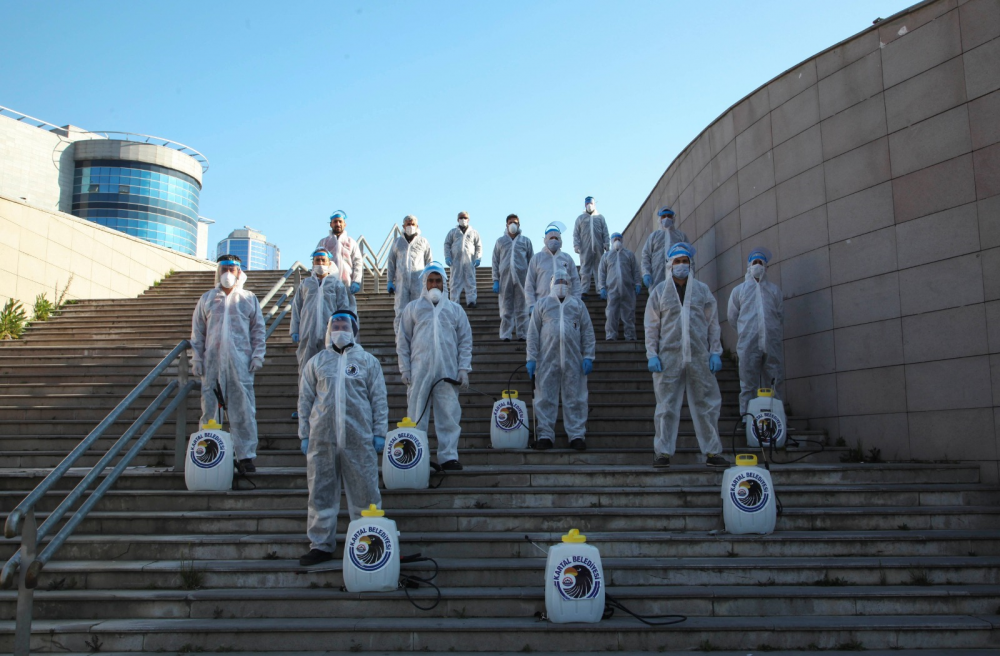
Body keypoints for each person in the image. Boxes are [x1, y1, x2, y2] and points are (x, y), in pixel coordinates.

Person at [297, 309, 386, 566]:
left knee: (365, 491)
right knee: (320, 492)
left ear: (354, 329)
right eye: (334, 325)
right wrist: (305, 434)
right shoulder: (316, 362)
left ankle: (368, 539)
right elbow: (305, 400)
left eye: (344, 324)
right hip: (322, 439)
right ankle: (321, 544)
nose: (339, 329)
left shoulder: (368, 361)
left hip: (359, 438)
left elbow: (378, 399)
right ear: (328, 329)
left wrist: (379, 432)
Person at [644, 242, 728, 468]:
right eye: (677, 261)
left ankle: (712, 451)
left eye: (685, 261)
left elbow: (712, 324)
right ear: (670, 264)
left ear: (691, 264)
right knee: (666, 406)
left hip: (700, 356)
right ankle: (662, 452)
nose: (681, 265)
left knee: (707, 404)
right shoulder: (659, 291)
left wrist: (715, 352)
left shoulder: (702, 290)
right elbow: (651, 325)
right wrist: (652, 353)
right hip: (668, 357)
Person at [191, 255, 266, 473]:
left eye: (232, 269)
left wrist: (257, 355)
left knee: (243, 409)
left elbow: (258, 329)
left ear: (239, 272)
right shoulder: (207, 299)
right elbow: (198, 332)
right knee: (210, 410)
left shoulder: (248, 298)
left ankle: (245, 457)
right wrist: (196, 357)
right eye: (224, 268)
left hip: (240, 363)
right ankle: (207, 457)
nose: (228, 273)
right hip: (212, 363)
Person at [396, 263, 474, 470]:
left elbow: (465, 340)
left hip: (447, 372)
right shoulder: (413, 308)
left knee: (448, 415)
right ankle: (417, 458)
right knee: (416, 415)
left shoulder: (455, 310)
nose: (434, 285)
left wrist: (463, 368)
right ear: (424, 283)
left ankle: (448, 456)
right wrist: (405, 368)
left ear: (444, 283)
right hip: (419, 370)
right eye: (430, 280)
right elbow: (403, 340)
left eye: (438, 281)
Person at [527, 266, 596, 451]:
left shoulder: (578, 305)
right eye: (557, 282)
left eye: (564, 282)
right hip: (547, 359)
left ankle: (576, 435)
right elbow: (533, 333)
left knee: (576, 397)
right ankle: (545, 435)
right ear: (551, 284)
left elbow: (588, 332)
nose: (561, 285)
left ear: (570, 284)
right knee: (544, 397)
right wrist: (531, 357)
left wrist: (589, 355)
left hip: (574, 360)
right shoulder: (542, 304)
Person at [727, 247, 784, 417]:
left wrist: (772, 331)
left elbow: (780, 315)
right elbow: (732, 316)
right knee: (747, 383)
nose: (758, 265)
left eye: (761, 262)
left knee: (773, 380)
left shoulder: (774, 291)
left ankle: (775, 417)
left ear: (766, 267)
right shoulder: (739, 291)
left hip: (770, 342)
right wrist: (745, 332)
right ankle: (746, 417)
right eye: (755, 262)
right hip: (748, 343)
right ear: (749, 266)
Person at [290, 250, 348, 369]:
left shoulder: (336, 285)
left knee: (329, 367)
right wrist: (294, 330)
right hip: (307, 331)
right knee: (306, 367)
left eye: (323, 260)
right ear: (313, 263)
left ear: (329, 263)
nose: (320, 263)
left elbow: (344, 309)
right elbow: (296, 308)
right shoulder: (305, 284)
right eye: (317, 260)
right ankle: (305, 388)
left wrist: (342, 332)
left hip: (330, 332)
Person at [491, 214, 534, 342]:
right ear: (506, 225)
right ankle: (505, 334)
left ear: (519, 225)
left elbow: (532, 261)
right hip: (505, 279)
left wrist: (532, 280)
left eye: (515, 222)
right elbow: (495, 261)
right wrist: (495, 280)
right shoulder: (500, 241)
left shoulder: (525, 241)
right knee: (506, 307)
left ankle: (523, 334)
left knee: (523, 307)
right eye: (510, 222)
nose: (513, 224)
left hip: (523, 279)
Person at [386, 215, 433, 330]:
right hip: (401, 283)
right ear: (403, 226)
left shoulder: (423, 242)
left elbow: (429, 263)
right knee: (401, 311)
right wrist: (389, 281)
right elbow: (391, 263)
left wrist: (430, 281)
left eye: (413, 224)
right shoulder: (397, 242)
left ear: (417, 226)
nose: (410, 226)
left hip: (419, 282)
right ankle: (401, 341)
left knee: (420, 310)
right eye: (408, 224)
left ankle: (420, 338)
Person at [524, 223, 581, 315]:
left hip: (566, 306)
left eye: (556, 238)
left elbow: (575, 282)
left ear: (561, 241)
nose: (554, 240)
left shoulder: (567, 258)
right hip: (542, 305)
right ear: (545, 240)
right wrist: (531, 304)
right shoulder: (537, 258)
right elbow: (529, 283)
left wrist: (576, 302)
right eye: (551, 238)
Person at [315, 210, 364, 312]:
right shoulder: (323, 242)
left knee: (348, 311)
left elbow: (358, 263)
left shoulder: (351, 242)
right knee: (328, 311)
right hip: (328, 283)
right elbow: (316, 262)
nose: (338, 224)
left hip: (346, 284)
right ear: (331, 224)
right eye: (335, 221)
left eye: (340, 221)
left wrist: (356, 281)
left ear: (344, 224)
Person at [598, 232, 642, 341]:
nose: (617, 241)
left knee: (629, 314)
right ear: (611, 241)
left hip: (628, 289)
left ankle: (630, 336)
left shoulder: (629, 255)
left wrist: (638, 283)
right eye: (615, 239)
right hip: (612, 289)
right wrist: (602, 287)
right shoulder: (606, 256)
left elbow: (635, 270)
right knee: (612, 314)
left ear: (622, 240)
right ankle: (611, 336)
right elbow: (601, 273)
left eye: (619, 238)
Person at [641, 206, 690, 290]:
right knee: (658, 298)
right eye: (664, 216)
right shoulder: (654, 236)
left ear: (673, 218)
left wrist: (689, 273)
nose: (666, 218)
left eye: (669, 216)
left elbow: (689, 256)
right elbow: (646, 255)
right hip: (657, 276)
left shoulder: (680, 236)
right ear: (660, 219)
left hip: (677, 275)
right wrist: (646, 273)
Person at [573, 196, 610, 297]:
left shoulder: (600, 218)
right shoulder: (580, 219)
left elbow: (605, 232)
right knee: (585, 269)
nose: (589, 205)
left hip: (599, 247)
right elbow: (576, 233)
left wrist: (606, 243)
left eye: (591, 203)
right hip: (585, 248)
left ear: (594, 204)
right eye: (587, 203)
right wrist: (576, 245)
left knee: (599, 268)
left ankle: (601, 289)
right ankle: (584, 290)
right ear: (585, 205)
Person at [444, 211, 483, 308]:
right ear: (458, 220)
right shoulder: (453, 232)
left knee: (470, 280)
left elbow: (478, 246)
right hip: (455, 261)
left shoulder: (474, 233)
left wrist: (478, 258)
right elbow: (447, 244)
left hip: (469, 261)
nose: (463, 220)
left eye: (465, 218)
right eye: (461, 218)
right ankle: (454, 302)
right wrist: (447, 256)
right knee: (454, 281)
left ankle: (471, 301)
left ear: (468, 220)